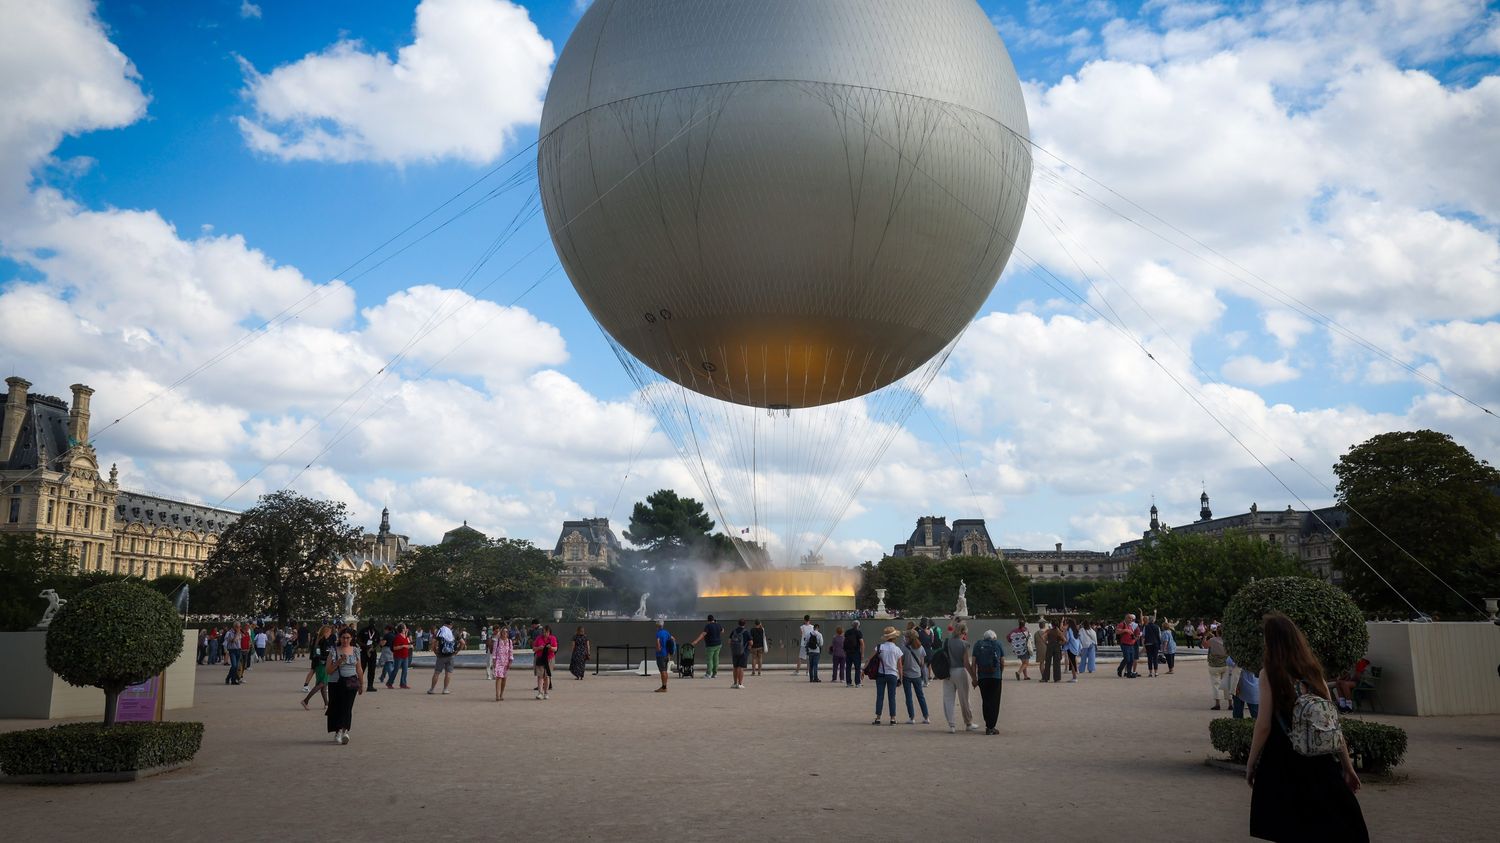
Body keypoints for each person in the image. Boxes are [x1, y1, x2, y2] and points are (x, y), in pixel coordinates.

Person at [1246, 612, 1367, 841]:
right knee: (1329, 822)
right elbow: (1332, 724)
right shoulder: (1313, 672)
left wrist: (1252, 763)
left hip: (1284, 757)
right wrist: (1347, 766)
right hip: (1318, 757)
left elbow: (1263, 725)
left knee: (1290, 824)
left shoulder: (1270, 674)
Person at [325, 627, 363, 745]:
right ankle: (338, 731)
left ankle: (344, 731)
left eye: (347, 638)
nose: (345, 640)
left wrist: (361, 684)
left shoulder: (356, 650)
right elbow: (328, 671)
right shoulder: (333, 651)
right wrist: (338, 662)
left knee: (347, 707)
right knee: (336, 707)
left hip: (351, 682)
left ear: (351, 638)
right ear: (339, 638)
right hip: (336, 682)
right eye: (343, 637)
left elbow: (359, 668)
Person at [940, 622, 980, 733]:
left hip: (947, 672)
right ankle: (968, 723)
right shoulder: (964, 644)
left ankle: (951, 725)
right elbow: (966, 663)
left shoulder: (947, 642)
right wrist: (973, 677)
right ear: (963, 632)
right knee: (964, 699)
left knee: (948, 699)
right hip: (960, 671)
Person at [972, 629, 1005, 734]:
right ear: (994, 637)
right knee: (995, 702)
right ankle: (992, 727)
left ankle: (988, 725)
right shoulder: (998, 644)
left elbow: (973, 663)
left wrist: (974, 678)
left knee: (985, 701)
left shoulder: (977, 645)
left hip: (982, 677)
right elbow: (1002, 661)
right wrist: (1000, 673)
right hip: (995, 677)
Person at [872, 627, 903, 725]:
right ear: (894, 638)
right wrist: (901, 678)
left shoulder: (879, 647)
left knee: (880, 696)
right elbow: (900, 666)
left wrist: (864, 670)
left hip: (881, 674)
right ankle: (893, 718)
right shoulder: (897, 649)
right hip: (892, 675)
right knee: (892, 697)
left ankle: (878, 718)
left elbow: (871, 659)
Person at [898, 630, 930, 724]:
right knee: (920, 696)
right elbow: (922, 663)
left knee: (909, 697)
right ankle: (926, 716)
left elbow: (901, 662)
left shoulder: (904, 649)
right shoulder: (921, 648)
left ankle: (911, 718)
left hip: (906, 675)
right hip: (917, 675)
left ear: (909, 638)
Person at [302, 625, 333, 709]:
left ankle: (327, 704)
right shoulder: (323, 641)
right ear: (326, 632)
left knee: (323, 685)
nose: (330, 633)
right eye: (329, 632)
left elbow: (317, 653)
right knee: (322, 683)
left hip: (319, 664)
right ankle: (306, 700)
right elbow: (322, 653)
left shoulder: (318, 640)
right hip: (322, 664)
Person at [688, 615, 725, 679]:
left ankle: (708, 674)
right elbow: (722, 631)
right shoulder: (718, 625)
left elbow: (703, 634)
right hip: (718, 644)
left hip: (710, 645)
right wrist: (717, 624)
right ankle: (715, 674)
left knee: (709, 660)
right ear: (713, 619)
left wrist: (696, 641)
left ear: (708, 620)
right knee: (716, 659)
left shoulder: (708, 626)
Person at [428, 619, 458, 695]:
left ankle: (432, 689)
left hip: (441, 655)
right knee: (448, 673)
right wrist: (456, 651)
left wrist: (435, 651)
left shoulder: (440, 631)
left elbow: (433, 642)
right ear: (450, 625)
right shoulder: (454, 632)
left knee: (437, 673)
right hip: (451, 655)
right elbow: (463, 643)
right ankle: (445, 689)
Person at [1206, 625, 1229, 710]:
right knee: (1227, 684)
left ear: (1217, 632)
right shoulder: (1227, 641)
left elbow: (1204, 645)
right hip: (1226, 664)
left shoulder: (1212, 640)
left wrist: (1205, 636)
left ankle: (1217, 704)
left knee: (1215, 684)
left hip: (1214, 665)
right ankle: (1230, 704)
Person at [534, 624, 558, 699]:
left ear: (549, 632)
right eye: (543, 632)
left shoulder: (553, 638)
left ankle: (546, 693)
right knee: (540, 676)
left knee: (547, 676)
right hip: (540, 658)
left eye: (546, 632)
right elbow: (534, 649)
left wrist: (550, 647)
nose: (545, 634)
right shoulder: (538, 638)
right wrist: (539, 648)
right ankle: (540, 693)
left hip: (549, 659)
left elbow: (555, 649)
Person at [492, 626, 514, 701]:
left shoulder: (510, 642)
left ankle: (501, 694)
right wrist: (494, 662)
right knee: (498, 678)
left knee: (504, 679)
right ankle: (497, 695)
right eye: (504, 631)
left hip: (506, 662)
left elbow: (511, 653)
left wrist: (510, 662)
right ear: (501, 633)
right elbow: (494, 653)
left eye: (506, 632)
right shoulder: (497, 641)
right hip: (499, 661)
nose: (505, 633)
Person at [728, 619, 751, 689]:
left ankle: (735, 683)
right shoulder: (746, 632)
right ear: (745, 624)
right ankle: (740, 684)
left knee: (735, 667)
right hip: (743, 652)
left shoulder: (733, 631)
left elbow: (729, 641)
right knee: (741, 667)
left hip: (734, 652)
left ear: (738, 623)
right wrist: (748, 647)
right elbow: (751, 642)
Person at [843, 620, 865, 687]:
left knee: (848, 668)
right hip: (856, 652)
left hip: (848, 652)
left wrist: (845, 651)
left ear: (852, 625)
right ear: (858, 625)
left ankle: (848, 683)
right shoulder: (858, 632)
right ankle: (857, 683)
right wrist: (862, 653)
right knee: (857, 668)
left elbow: (844, 642)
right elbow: (862, 643)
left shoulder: (847, 632)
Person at [359, 622, 380, 693]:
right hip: (364, 652)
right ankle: (358, 685)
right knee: (361, 669)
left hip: (372, 653)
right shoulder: (363, 630)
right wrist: (365, 646)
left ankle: (370, 686)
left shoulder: (376, 632)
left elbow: (378, 641)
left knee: (372, 669)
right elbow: (358, 640)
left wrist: (373, 647)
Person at [653, 620, 674, 693]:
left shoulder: (658, 633)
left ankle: (664, 687)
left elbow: (658, 641)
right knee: (665, 670)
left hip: (661, 655)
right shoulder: (666, 632)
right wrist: (670, 651)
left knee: (662, 671)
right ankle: (664, 686)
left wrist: (658, 648)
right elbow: (673, 639)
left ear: (657, 626)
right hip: (666, 654)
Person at [389, 623, 412, 689]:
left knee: (405, 670)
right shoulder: (398, 637)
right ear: (402, 629)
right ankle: (389, 682)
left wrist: (409, 646)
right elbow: (395, 648)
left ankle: (403, 684)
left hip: (405, 656)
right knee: (396, 670)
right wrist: (403, 646)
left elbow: (407, 644)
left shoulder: (406, 636)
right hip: (398, 656)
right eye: (405, 628)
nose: (406, 629)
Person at [1063, 618, 1080, 683]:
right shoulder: (1075, 630)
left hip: (1070, 648)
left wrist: (1062, 641)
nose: (1066, 624)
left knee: (1072, 663)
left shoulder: (1069, 630)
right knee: (1073, 662)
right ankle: (1074, 677)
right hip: (1075, 648)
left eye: (1066, 623)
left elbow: (1067, 640)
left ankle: (1074, 677)